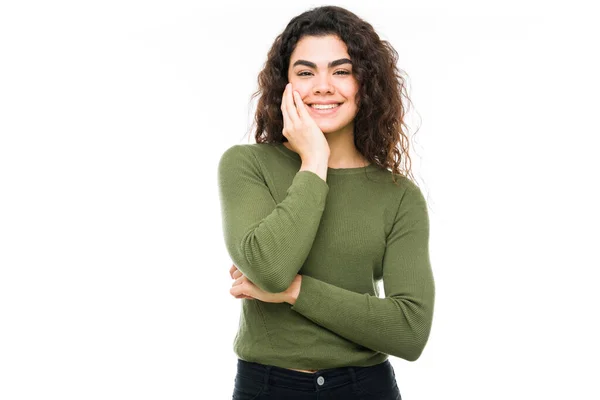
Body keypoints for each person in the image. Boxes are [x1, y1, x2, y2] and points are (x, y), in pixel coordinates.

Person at [217, 5, 435, 399]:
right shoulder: (247, 165)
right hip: (267, 387)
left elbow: (410, 330)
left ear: (365, 82)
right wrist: (314, 160)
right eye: (305, 72)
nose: (322, 86)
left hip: (364, 388)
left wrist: (294, 292)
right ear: (284, 85)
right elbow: (270, 268)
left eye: (341, 70)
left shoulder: (399, 196)